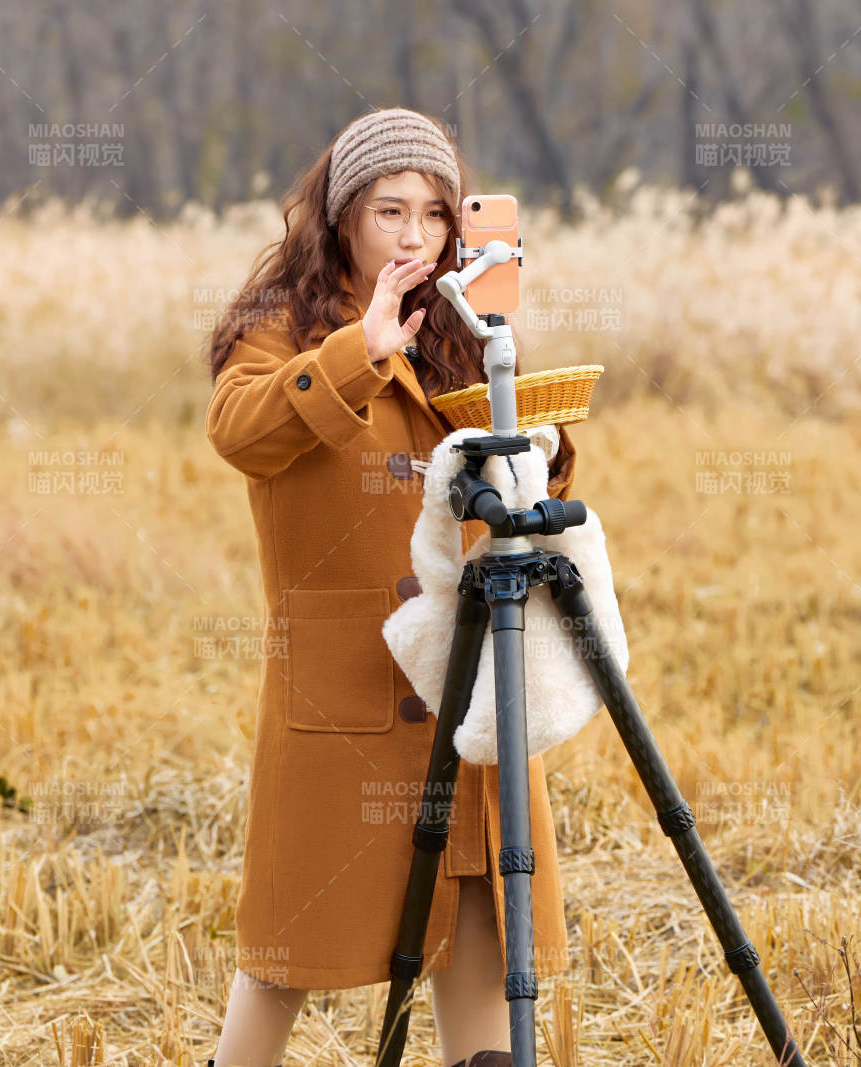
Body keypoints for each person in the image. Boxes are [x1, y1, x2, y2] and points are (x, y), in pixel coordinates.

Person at [200, 107, 577, 1067]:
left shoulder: (462, 328)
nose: (415, 238)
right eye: (387, 212)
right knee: (288, 951)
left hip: (468, 681)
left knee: (482, 914)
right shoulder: (276, 330)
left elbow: (517, 505)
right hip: (348, 693)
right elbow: (240, 431)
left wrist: (535, 429)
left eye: (435, 214)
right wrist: (358, 350)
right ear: (339, 222)